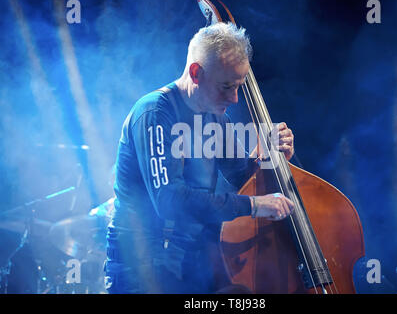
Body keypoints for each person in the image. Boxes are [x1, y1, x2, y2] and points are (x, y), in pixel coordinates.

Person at [104, 22, 296, 294]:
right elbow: (169, 201)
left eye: (239, 86)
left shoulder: (216, 118)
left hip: (190, 262)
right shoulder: (155, 113)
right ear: (196, 72)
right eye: (226, 87)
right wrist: (254, 205)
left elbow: (243, 178)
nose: (235, 98)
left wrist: (270, 156)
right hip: (140, 268)